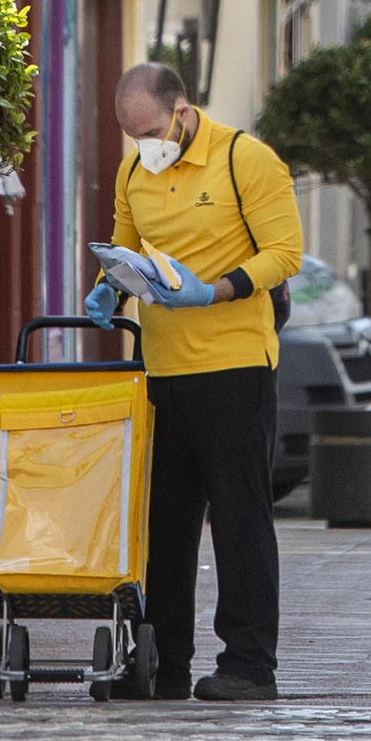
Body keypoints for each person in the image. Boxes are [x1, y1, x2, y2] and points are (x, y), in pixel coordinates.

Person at [84, 62, 304, 701]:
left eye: (150, 130)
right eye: (131, 136)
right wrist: (107, 292)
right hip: (162, 372)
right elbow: (124, 250)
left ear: (181, 110)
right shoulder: (133, 173)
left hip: (235, 368)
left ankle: (248, 666)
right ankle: (160, 665)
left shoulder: (246, 160)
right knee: (162, 528)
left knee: (240, 523)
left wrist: (217, 291)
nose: (142, 147)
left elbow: (283, 253)